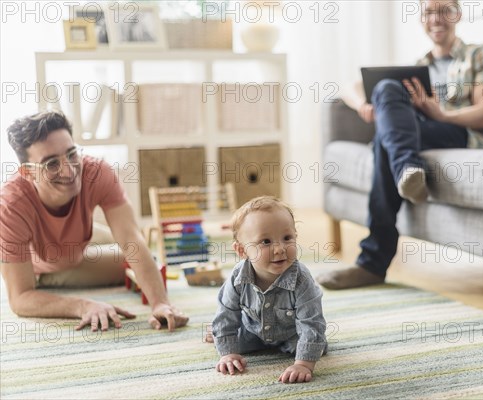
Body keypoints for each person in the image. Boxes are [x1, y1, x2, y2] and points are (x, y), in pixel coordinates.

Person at [317, 0, 483, 289]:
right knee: (385, 89)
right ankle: (407, 168)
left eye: (444, 10)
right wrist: (364, 105)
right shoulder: (419, 67)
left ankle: (372, 262)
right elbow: (350, 86)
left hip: (465, 135)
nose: (437, 19)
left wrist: (442, 113)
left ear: (457, 14)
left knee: (385, 142)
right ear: (421, 18)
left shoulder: (481, 54)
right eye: (429, 12)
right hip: (420, 134)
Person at [0, 110, 188, 332]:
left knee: (145, 259)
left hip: (82, 239)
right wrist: (83, 305)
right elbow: (20, 298)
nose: (69, 170)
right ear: (28, 173)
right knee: (133, 266)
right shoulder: (11, 205)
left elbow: (131, 239)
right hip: (46, 265)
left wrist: (160, 303)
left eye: (71, 154)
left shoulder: (96, 172)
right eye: (51, 164)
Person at [209, 196, 327, 384]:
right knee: (224, 336)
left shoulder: (302, 280)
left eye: (287, 238)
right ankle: (222, 339)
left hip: (292, 335)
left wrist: (303, 364)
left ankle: (303, 353)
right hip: (251, 332)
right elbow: (226, 313)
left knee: (316, 345)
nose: (279, 248)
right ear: (241, 251)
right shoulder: (238, 278)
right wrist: (228, 353)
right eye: (265, 241)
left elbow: (311, 323)